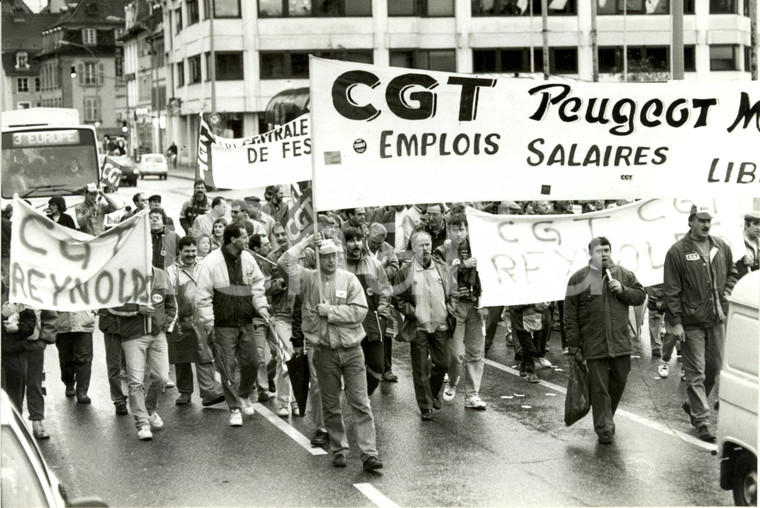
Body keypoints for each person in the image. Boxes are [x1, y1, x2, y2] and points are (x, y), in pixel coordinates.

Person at [279, 234, 383, 472]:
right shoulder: (306, 279)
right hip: (324, 352)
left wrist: (331, 311)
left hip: (352, 350)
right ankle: (339, 449)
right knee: (331, 404)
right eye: (325, 256)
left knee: (360, 403)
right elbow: (284, 264)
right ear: (317, 258)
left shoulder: (349, 280)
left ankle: (369, 454)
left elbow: (360, 311)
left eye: (334, 256)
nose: (331, 261)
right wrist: (305, 243)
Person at [663, 204, 738, 442]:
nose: (706, 224)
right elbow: (671, 290)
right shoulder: (677, 252)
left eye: (708, 220)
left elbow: (733, 273)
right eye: (701, 220)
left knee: (715, 368)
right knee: (695, 373)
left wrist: (726, 292)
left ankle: (693, 404)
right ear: (690, 221)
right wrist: (675, 322)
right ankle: (702, 420)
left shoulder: (721, 246)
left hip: (717, 319)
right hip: (692, 322)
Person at [565, 236, 646, 445]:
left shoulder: (623, 274)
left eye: (607, 250)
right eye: (599, 251)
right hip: (594, 344)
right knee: (599, 387)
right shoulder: (578, 279)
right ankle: (604, 428)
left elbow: (640, 295)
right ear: (590, 254)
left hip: (620, 343)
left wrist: (623, 291)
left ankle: (606, 415)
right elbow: (570, 314)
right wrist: (574, 345)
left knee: (619, 380)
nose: (604, 254)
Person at [195, 223, 270, 427]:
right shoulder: (211, 262)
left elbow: (257, 286)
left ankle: (244, 394)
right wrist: (208, 323)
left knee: (253, 362)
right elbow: (202, 296)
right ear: (232, 240)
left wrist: (261, 307)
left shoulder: (248, 258)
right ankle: (234, 407)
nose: (248, 240)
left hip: (246, 322)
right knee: (227, 367)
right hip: (222, 325)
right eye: (244, 237)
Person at [395, 231, 457, 421]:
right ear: (413, 248)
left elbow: (453, 291)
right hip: (419, 326)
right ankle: (426, 406)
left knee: (444, 362)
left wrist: (449, 309)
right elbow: (398, 299)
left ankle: (432, 391)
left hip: (440, 324)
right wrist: (414, 313)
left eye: (428, 244)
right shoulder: (405, 271)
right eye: (421, 245)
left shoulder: (441, 267)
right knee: (421, 367)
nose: (425, 248)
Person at [110, 266, 177, 440]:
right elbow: (111, 307)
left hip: (158, 334)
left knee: (162, 377)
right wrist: (137, 309)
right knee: (135, 381)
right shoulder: (124, 275)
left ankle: (149, 408)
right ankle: (142, 423)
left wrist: (166, 326)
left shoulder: (162, 275)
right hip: (133, 335)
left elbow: (171, 304)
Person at [166, 236, 225, 407]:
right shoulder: (171, 270)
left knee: (204, 354)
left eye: (193, 251)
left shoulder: (204, 265)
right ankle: (184, 393)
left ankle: (208, 391)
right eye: (187, 251)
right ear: (180, 251)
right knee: (181, 357)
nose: (191, 254)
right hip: (179, 318)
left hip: (200, 316)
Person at [437, 214, 487, 410]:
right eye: (455, 229)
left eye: (463, 229)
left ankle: (472, 395)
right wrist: (462, 266)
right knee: (456, 354)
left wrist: (485, 303)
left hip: (475, 305)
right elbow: (439, 277)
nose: (459, 233)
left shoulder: (479, 248)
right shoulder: (443, 250)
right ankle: (451, 382)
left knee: (476, 352)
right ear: (449, 230)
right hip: (455, 308)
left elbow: (490, 276)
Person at [250, 233, 296, 415]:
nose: (280, 239)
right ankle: (277, 397)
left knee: (281, 355)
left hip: (299, 314)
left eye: (282, 235)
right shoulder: (269, 260)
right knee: (280, 356)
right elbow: (265, 287)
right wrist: (282, 282)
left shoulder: (304, 254)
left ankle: (273, 380)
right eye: (277, 236)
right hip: (275, 313)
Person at [344, 227, 392, 396]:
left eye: (358, 239)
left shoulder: (374, 264)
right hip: (348, 325)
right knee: (353, 367)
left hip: (373, 323)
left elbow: (385, 290)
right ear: (344, 244)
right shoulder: (339, 266)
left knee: (377, 367)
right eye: (351, 240)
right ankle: (358, 399)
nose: (355, 244)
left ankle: (363, 395)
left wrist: (383, 313)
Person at [365, 223, 400, 382]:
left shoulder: (388, 249)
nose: (376, 245)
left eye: (379, 243)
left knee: (385, 332)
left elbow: (395, 266)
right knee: (365, 332)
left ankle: (387, 368)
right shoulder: (361, 246)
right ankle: (364, 367)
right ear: (368, 235)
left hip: (383, 295)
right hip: (364, 294)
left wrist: (380, 274)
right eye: (373, 242)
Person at [55, 310, 96, 404]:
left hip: (84, 323)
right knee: (66, 358)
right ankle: (69, 383)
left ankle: (82, 391)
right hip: (63, 323)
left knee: (84, 359)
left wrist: (93, 310)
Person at [736, 210, 760, 279]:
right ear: (746, 225)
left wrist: (754, 264)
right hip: (740, 285)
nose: (759, 228)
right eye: (755, 224)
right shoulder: (737, 242)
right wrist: (740, 262)